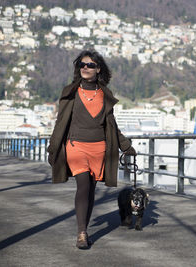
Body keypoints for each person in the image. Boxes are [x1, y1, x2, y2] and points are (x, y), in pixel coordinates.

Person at [47, 50, 136, 249]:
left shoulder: (105, 95)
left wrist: (126, 146)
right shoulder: (70, 92)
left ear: (98, 70)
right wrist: (53, 148)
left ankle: (83, 229)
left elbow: (111, 125)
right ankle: (81, 233)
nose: (86, 68)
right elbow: (60, 122)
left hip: (99, 149)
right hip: (75, 146)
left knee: (91, 191)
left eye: (91, 65)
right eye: (82, 64)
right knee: (83, 185)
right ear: (78, 68)